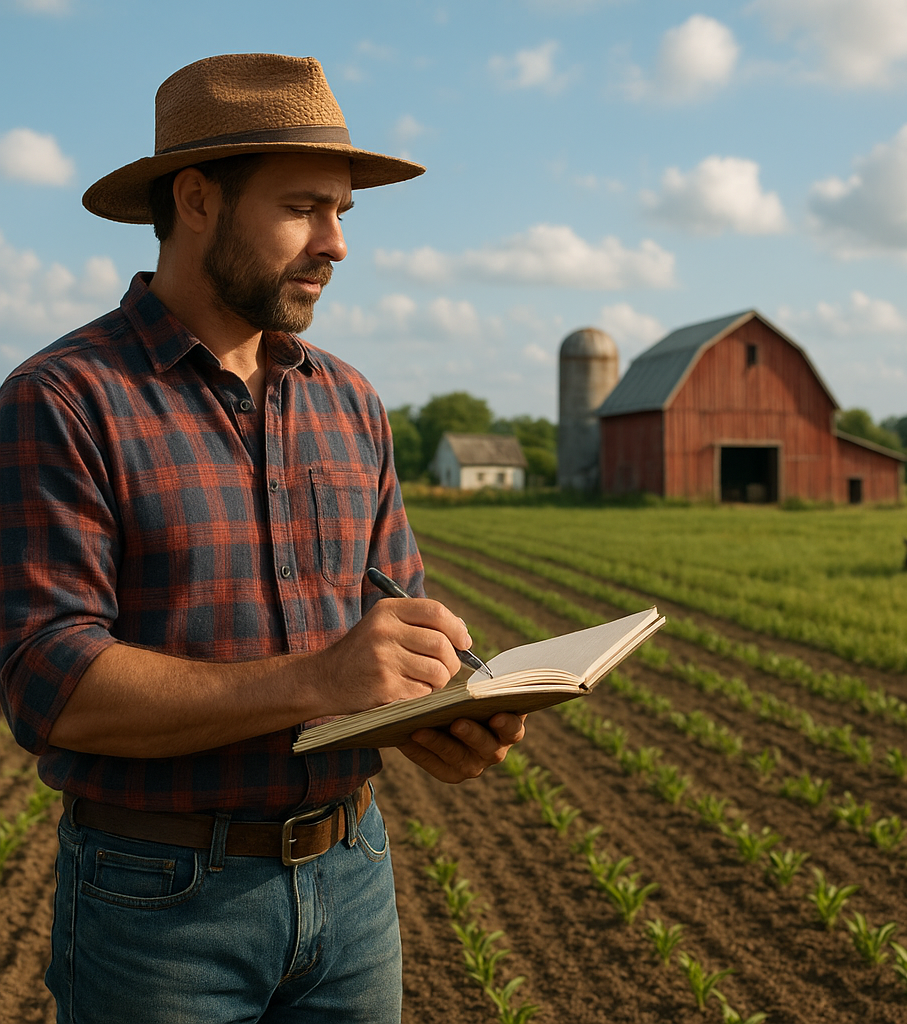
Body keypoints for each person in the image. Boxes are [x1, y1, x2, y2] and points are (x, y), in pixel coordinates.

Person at [0, 53, 526, 1023]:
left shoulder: (350, 402)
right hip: (157, 908)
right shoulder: (65, 399)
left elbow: (392, 620)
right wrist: (318, 680)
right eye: (303, 209)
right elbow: (48, 679)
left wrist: (447, 710)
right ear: (197, 200)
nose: (337, 242)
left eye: (342, 212)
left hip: (353, 877)